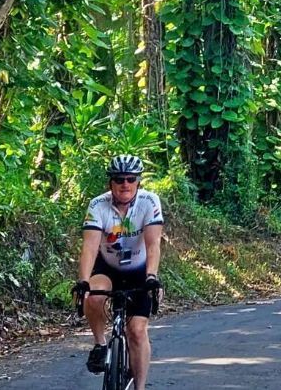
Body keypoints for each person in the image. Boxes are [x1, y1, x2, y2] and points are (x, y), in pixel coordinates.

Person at [72, 154, 164, 390]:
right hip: (108, 268)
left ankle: (139, 387)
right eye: (119, 179)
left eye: (130, 179)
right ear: (110, 183)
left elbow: (153, 244)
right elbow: (90, 247)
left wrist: (152, 278)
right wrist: (82, 281)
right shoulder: (97, 205)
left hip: (139, 269)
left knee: (136, 331)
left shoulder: (149, 202)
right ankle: (100, 345)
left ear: (138, 182)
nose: (125, 184)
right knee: (94, 294)